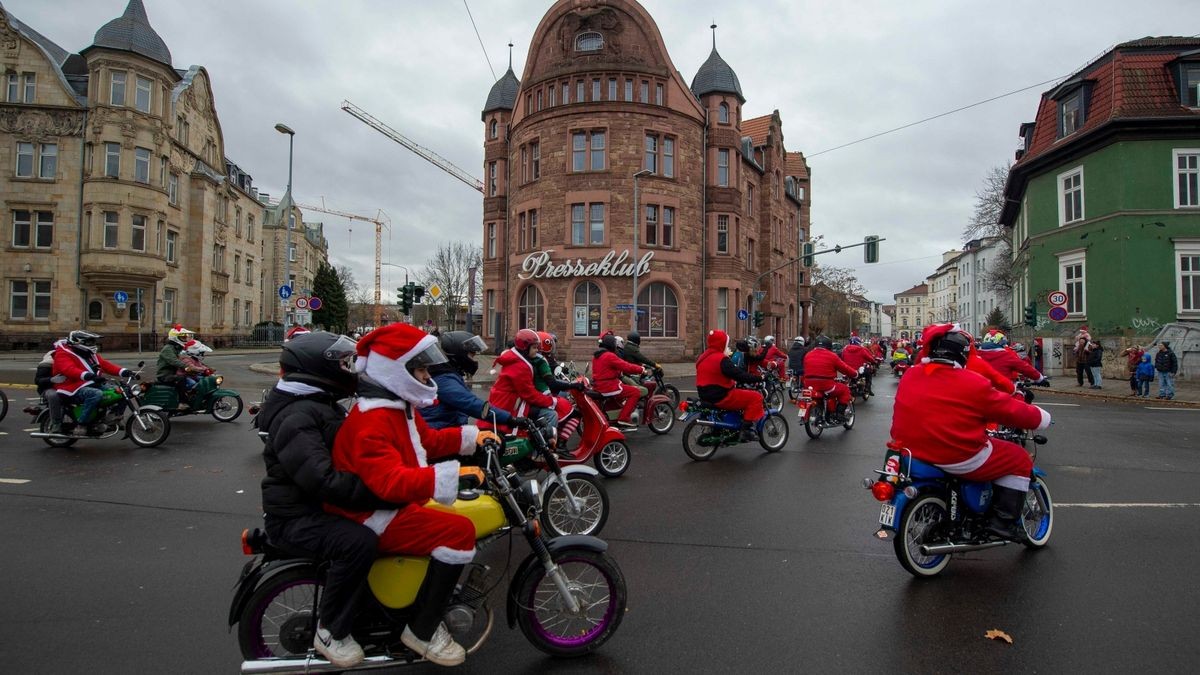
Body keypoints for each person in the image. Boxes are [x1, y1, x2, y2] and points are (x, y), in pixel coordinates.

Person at [327, 324, 499, 667]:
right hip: (372, 513)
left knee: (452, 521)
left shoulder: (397, 408)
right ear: (395, 370)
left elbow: (428, 443)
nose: (425, 375)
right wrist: (455, 476)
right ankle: (423, 629)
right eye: (419, 368)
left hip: (386, 505)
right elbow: (389, 482)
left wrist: (471, 439)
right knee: (459, 531)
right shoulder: (373, 419)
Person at [258, 331, 385, 668]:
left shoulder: (318, 405)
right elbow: (322, 479)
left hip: (310, 508)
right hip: (297, 518)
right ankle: (332, 630)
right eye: (344, 364)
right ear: (318, 368)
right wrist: (381, 490)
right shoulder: (297, 416)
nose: (350, 370)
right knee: (358, 542)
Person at [890, 324, 1052, 540]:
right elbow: (1009, 409)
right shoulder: (972, 382)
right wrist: (1041, 417)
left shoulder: (911, 374)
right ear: (963, 353)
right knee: (1019, 458)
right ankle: (1002, 522)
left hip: (911, 450)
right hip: (954, 454)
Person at [420, 331, 519, 431]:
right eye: (471, 356)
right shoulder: (443, 379)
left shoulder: (449, 373)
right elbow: (470, 403)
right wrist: (509, 419)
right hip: (438, 433)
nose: (474, 360)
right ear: (459, 355)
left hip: (448, 427)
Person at [52, 330, 137, 434]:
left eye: (93, 342)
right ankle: (81, 424)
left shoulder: (89, 354)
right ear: (78, 342)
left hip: (91, 383)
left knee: (124, 391)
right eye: (89, 342)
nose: (93, 344)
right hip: (71, 387)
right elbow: (69, 369)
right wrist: (88, 376)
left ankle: (114, 417)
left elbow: (105, 365)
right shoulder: (62, 354)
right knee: (95, 394)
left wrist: (124, 372)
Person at [695, 329, 765, 441]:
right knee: (756, 397)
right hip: (722, 396)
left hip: (704, 395)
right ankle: (746, 430)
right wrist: (758, 378)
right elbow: (739, 374)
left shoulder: (702, 357)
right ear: (722, 343)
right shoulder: (722, 359)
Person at [489, 328, 562, 435]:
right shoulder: (521, 366)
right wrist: (553, 401)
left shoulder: (517, 359)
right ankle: (541, 447)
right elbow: (529, 394)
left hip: (509, 402)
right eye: (534, 348)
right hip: (510, 406)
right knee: (551, 414)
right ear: (524, 348)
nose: (537, 350)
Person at [592, 333, 645, 431]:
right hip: (608, 386)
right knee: (635, 392)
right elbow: (626, 366)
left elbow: (607, 369)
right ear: (612, 345)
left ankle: (617, 414)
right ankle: (623, 418)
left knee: (624, 393)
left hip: (599, 385)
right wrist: (641, 369)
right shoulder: (609, 356)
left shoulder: (597, 356)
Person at [803, 335, 858, 420]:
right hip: (826, 385)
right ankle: (839, 414)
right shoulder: (832, 356)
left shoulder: (808, 355)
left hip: (808, 384)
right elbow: (844, 368)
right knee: (844, 390)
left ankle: (821, 412)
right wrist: (855, 374)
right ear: (829, 345)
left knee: (821, 395)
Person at [157, 325, 202, 408]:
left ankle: (193, 398)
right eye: (183, 337)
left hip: (174, 373)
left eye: (185, 337)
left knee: (196, 377)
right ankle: (182, 402)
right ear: (175, 338)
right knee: (181, 379)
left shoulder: (177, 348)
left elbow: (186, 357)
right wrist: (186, 367)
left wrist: (196, 366)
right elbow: (174, 361)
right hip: (165, 375)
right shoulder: (168, 349)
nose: (185, 338)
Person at [977, 337, 1047, 385]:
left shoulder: (976, 356)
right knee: (1026, 397)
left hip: (981, 390)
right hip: (1004, 388)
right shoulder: (1006, 355)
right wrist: (1039, 378)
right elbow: (1025, 367)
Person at [35, 343, 65, 435]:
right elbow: (38, 380)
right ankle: (56, 423)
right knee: (54, 396)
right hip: (48, 388)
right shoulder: (48, 361)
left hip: (66, 387)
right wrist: (51, 379)